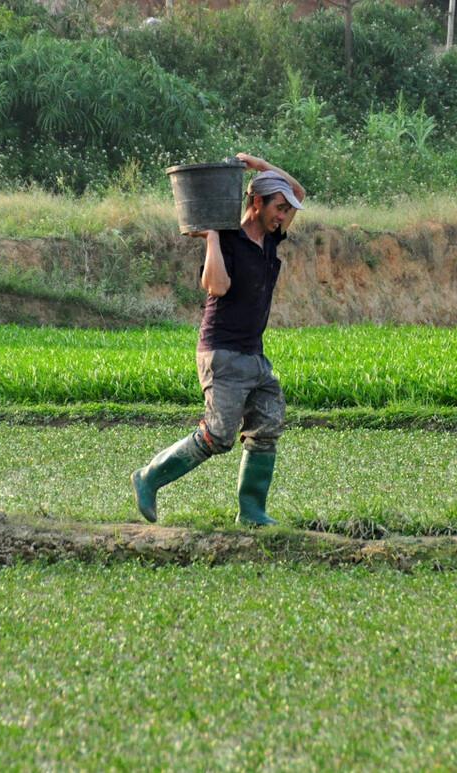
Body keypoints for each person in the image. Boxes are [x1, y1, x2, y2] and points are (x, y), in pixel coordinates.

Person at [131, 154, 305, 526]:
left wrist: (261, 166)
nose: (283, 215)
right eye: (278, 207)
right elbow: (216, 286)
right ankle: (148, 478)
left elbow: (299, 191)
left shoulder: (271, 239)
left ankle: (252, 512)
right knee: (219, 434)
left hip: (254, 356)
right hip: (222, 353)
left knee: (268, 424)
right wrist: (210, 236)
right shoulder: (227, 240)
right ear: (256, 203)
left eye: (285, 210)